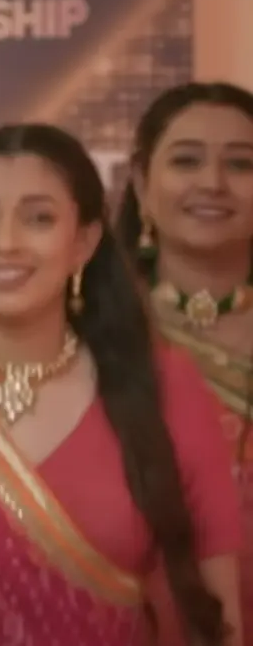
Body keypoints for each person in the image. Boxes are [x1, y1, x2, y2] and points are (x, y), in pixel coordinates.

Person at [0, 123, 243, 644]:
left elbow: (219, 613)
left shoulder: (162, 387)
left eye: (39, 219)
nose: (5, 242)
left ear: (84, 242)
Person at [116, 82, 253, 645]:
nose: (213, 183)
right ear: (142, 185)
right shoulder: (98, 339)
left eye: (241, 164)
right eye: (187, 161)